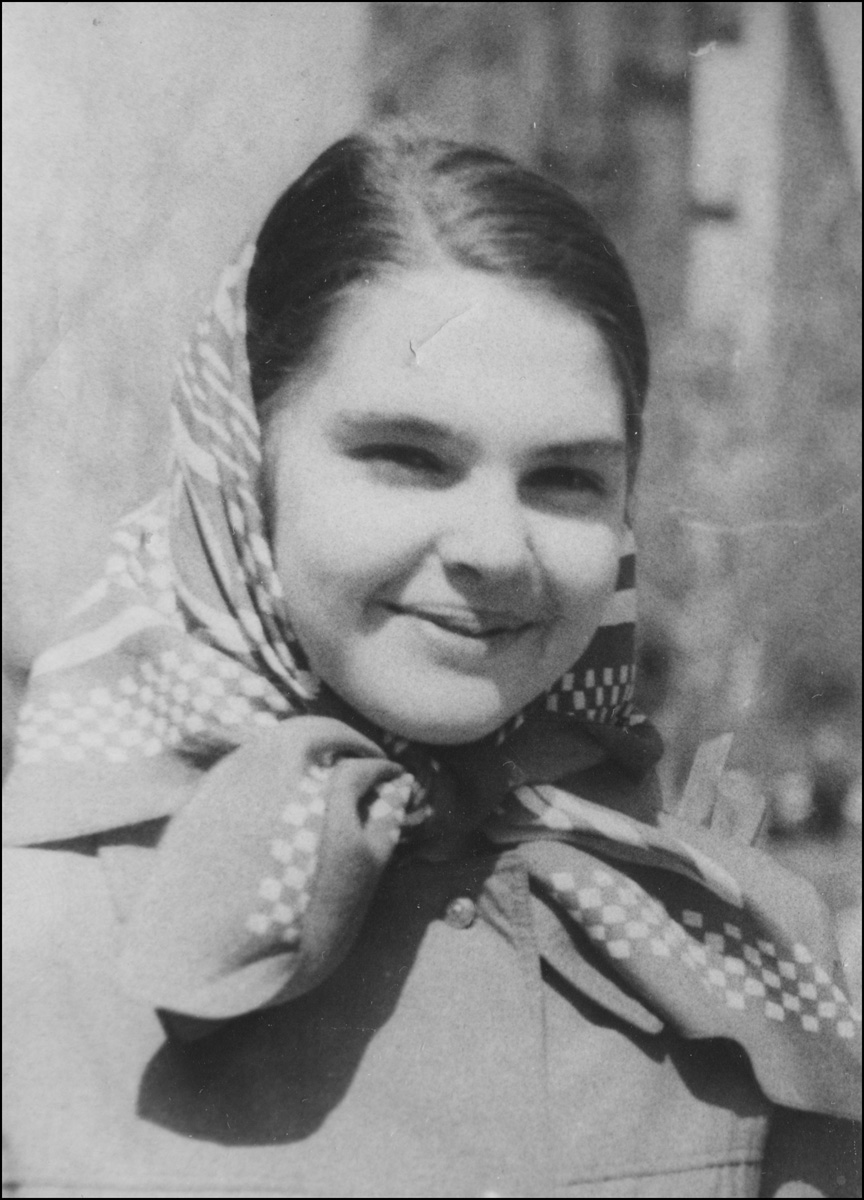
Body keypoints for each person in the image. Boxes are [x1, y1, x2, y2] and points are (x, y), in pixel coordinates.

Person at [2, 126, 860, 1199]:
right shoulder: (32, 943)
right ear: (242, 461)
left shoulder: (739, 954)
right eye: (407, 457)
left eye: (566, 478)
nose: (495, 548)